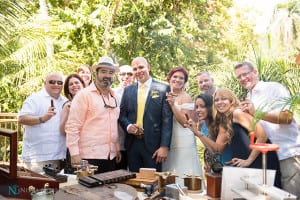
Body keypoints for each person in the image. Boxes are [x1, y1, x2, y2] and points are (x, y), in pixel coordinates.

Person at [185, 88, 281, 187]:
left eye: (223, 99)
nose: (219, 102)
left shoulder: (237, 113)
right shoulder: (224, 119)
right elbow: (218, 148)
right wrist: (197, 132)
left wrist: (248, 160)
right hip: (244, 164)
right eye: (216, 100)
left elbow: (263, 135)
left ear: (231, 101)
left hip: (260, 159)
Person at [235, 61, 299, 196]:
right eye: (239, 77)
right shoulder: (249, 97)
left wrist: (256, 112)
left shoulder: (273, 88)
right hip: (270, 158)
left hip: (289, 153)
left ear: (255, 72)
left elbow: (287, 117)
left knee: (290, 195)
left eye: (245, 74)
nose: (242, 78)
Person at [65, 56, 121, 174]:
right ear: (96, 73)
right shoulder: (83, 95)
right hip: (88, 157)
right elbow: (72, 126)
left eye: (111, 72)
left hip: (110, 157)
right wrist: (74, 154)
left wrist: (117, 148)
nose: (107, 75)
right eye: (103, 71)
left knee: (107, 191)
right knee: (88, 191)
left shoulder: (115, 97)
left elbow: (114, 126)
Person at [119, 57, 173, 172]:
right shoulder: (128, 90)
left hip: (154, 146)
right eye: (135, 69)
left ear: (148, 67)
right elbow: (122, 115)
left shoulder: (163, 89)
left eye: (141, 67)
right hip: (132, 144)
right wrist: (129, 127)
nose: (138, 71)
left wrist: (164, 146)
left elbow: (167, 120)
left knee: (153, 184)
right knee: (134, 182)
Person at [18, 72, 67, 173]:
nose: (56, 85)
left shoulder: (64, 101)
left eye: (59, 82)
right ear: (45, 83)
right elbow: (22, 119)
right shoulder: (35, 98)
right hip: (37, 159)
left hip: (58, 157)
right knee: (35, 188)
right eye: (52, 82)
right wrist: (42, 118)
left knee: (54, 188)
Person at [162, 67, 202, 184]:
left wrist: (173, 105)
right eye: (175, 77)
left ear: (184, 82)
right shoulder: (164, 94)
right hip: (169, 139)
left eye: (181, 78)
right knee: (169, 171)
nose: (178, 80)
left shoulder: (185, 97)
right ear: (169, 78)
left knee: (183, 169)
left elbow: (185, 122)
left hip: (183, 140)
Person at [193, 93, 232, 165]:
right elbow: (207, 147)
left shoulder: (222, 123)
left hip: (228, 166)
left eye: (202, 106)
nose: (198, 110)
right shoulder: (202, 125)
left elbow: (218, 151)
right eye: (196, 107)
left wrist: (198, 133)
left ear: (211, 107)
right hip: (214, 168)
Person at [59, 74, 85, 174]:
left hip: (90, 147)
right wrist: (67, 113)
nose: (74, 85)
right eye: (71, 84)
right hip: (74, 147)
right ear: (68, 89)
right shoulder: (67, 105)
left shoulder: (90, 100)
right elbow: (62, 130)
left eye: (77, 82)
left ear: (83, 85)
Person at [113, 65, 134, 170]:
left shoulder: (140, 93)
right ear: (118, 76)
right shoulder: (111, 93)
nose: (126, 76)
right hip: (117, 144)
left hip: (134, 143)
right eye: (122, 74)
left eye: (129, 74)